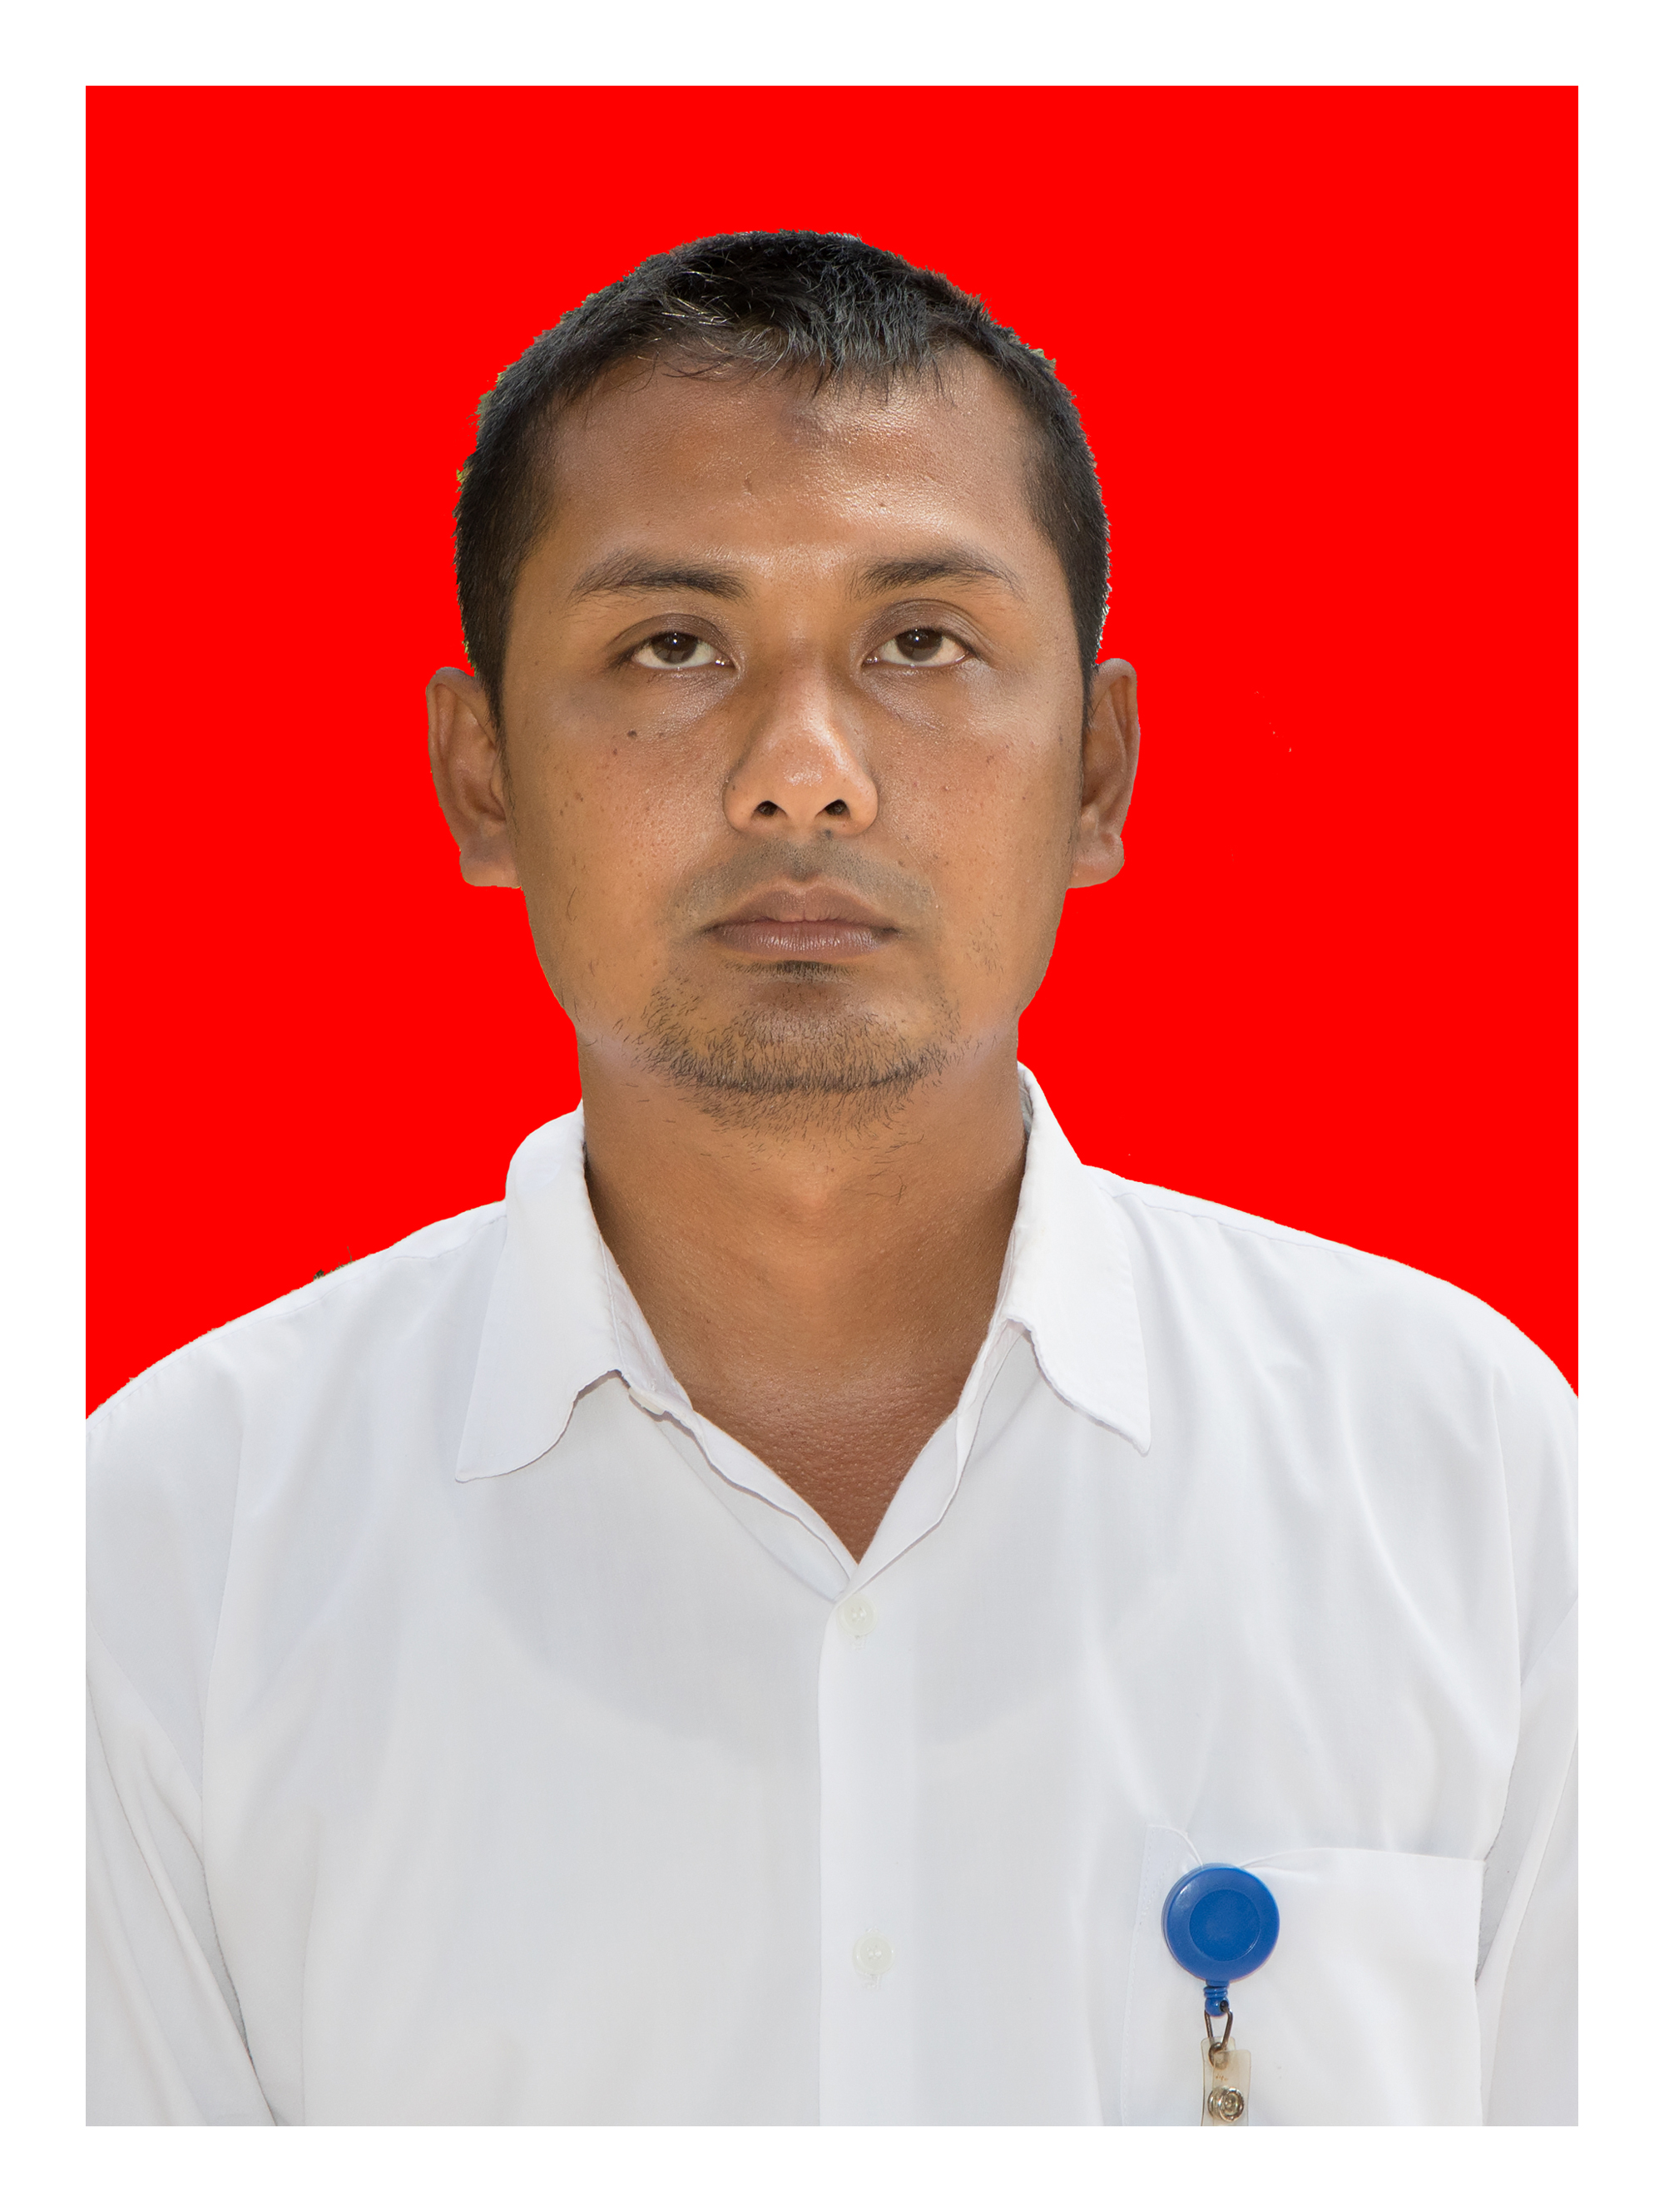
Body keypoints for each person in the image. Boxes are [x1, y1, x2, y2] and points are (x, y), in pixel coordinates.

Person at [87, 231, 1575, 2125]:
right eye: (672, 646)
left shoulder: (1469, 1480)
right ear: (482, 776)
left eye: (921, 642)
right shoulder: (170, 1553)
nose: (804, 775)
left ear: (1098, 771)